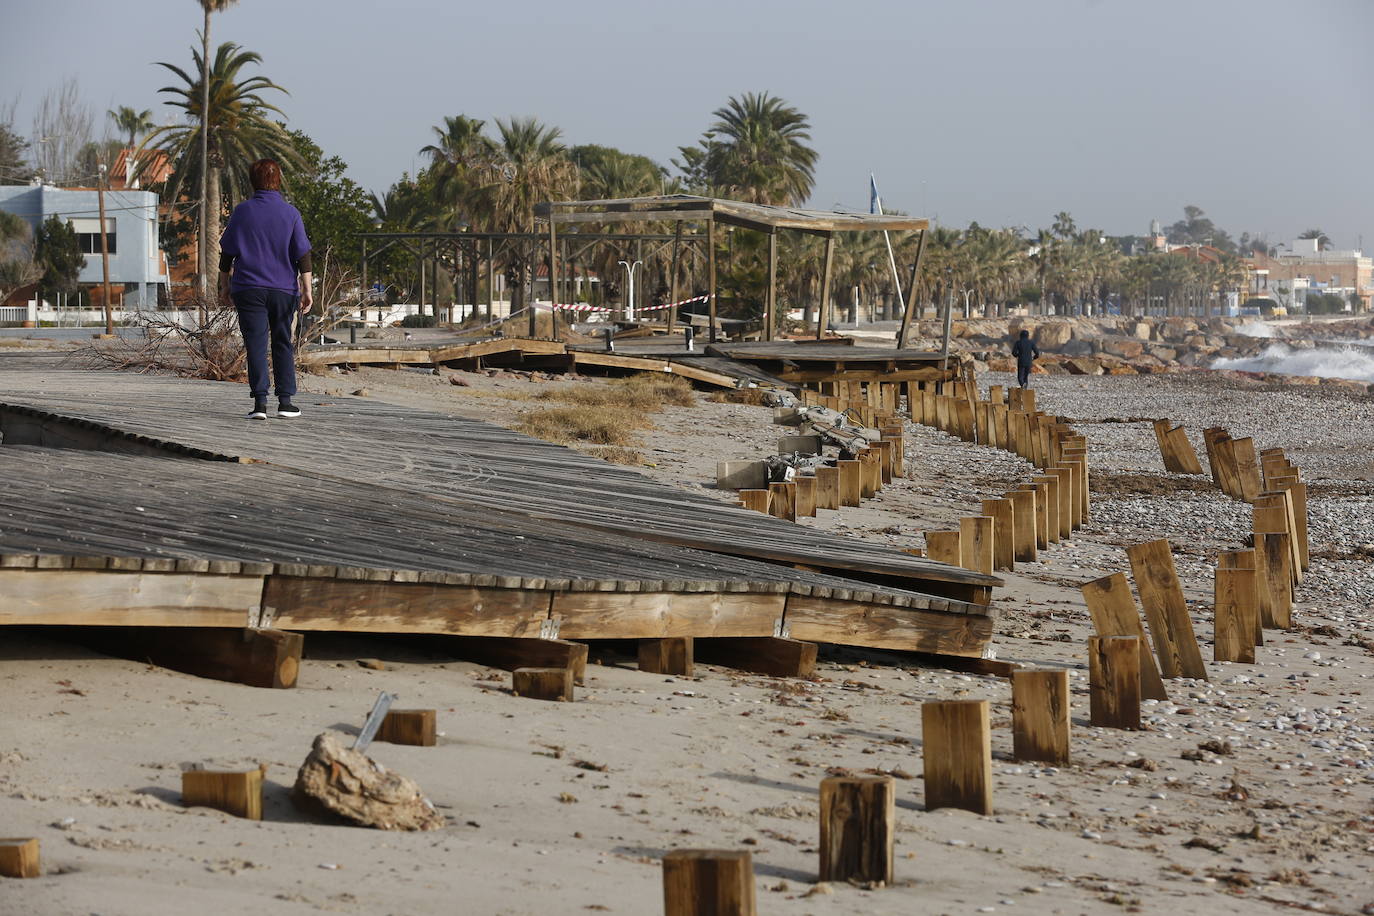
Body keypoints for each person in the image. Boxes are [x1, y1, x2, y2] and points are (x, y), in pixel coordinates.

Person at [219, 158, 312, 419]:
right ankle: (285, 402)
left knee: (256, 344)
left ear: (253, 181)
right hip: (283, 289)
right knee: (283, 342)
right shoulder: (291, 213)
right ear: (278, 180)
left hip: (248, 288)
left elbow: (227, 252)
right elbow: (302, 255)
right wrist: (307, 290)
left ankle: (260, 405)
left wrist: (225, 286)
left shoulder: (242, 212)